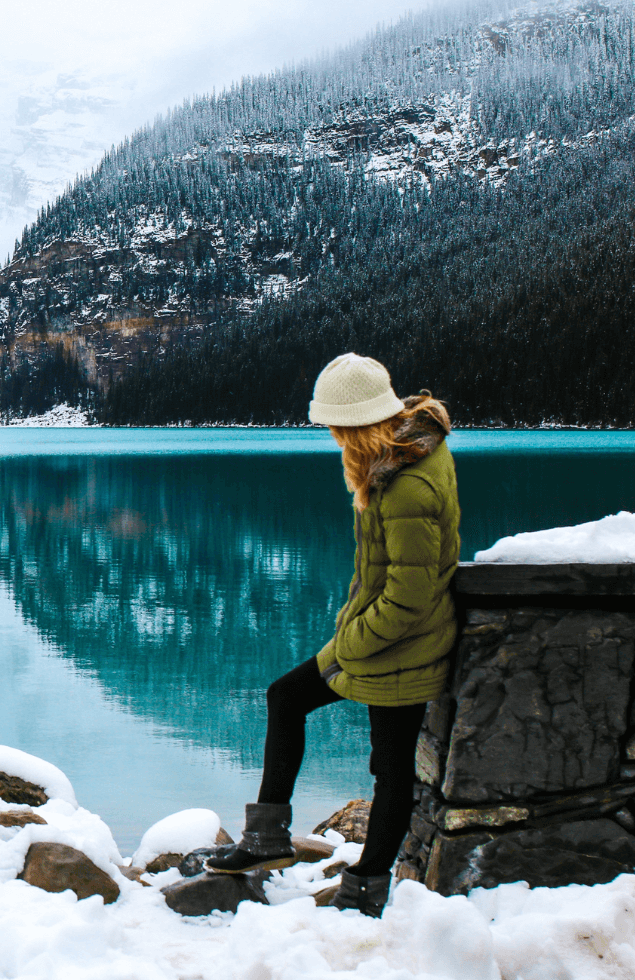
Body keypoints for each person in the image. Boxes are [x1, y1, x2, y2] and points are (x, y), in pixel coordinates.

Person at [205, 353, 460, 918]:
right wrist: (352, 630)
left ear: (360, 423)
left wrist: (349, 643)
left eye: (337, 427)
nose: (332, 438)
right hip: (376, 637)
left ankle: (365, 888)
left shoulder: (409, 486)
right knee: (286, 696)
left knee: (390, 768)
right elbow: (382, 571)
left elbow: (409, 597)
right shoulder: (397, 458)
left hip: (404, 646)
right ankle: (267, 838)